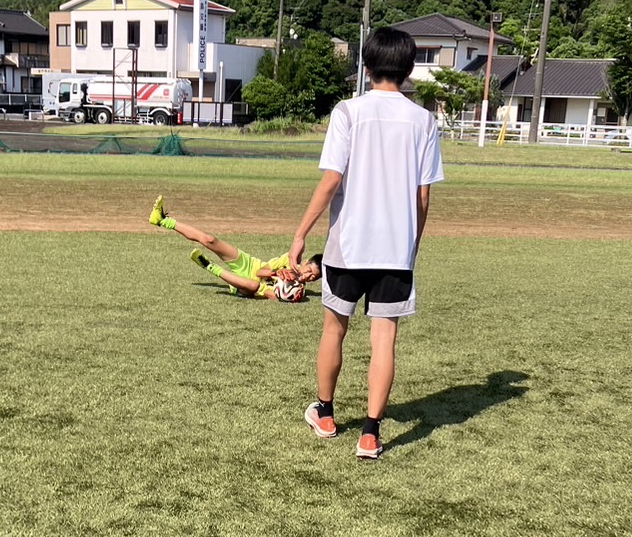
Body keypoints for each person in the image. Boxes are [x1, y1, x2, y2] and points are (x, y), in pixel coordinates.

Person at [290, 27, 444, 459]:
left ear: (367, 65)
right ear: (409, 69)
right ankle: (371, 433)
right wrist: (411, 245)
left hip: (349, 244)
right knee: (384, 340)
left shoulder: (348, 112)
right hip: (395, 249)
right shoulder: (424, 120)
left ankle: (325, 413)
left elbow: (331, 180)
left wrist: (301, 233)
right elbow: (423, 196)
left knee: (333, 329)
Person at [149, 195, 322, 299]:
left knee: (253, 285)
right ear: (306, 262)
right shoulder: (289, 260)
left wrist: (282, 288)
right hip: (250, 265)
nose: (308, 276)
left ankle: (209, 266)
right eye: (309, 270)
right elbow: (260, 272)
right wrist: (278, 273)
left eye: (313, 277)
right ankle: (162, 220)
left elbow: (269, 294)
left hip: (246, 286)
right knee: (210, 240)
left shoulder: (296, 291)